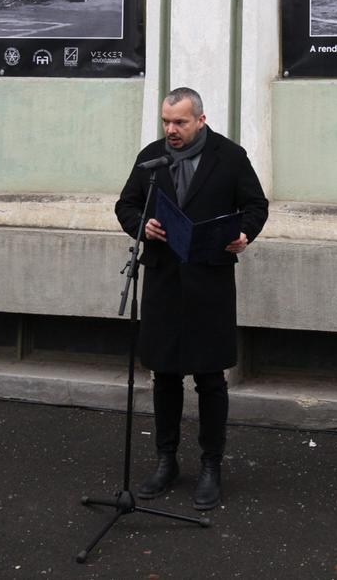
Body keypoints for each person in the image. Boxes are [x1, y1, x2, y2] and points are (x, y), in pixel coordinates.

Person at [114, 87, 268, 511]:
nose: (171, 130)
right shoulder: (152, 159)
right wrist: (142, 226)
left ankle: (210, 466)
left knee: (209, 378)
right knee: (164, 374)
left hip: (209, 282)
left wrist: (244, 235)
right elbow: (125, 206)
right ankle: (166, 461)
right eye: (166, 122)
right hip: (163, 280)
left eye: (179, 122)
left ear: (200, 119)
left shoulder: (230, 156)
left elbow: (256, 205)